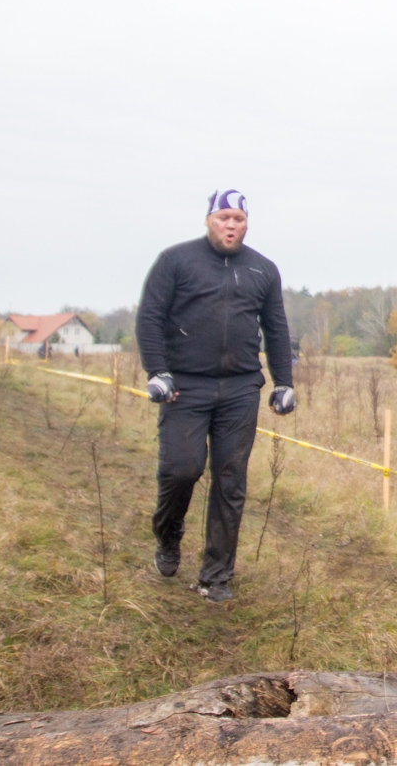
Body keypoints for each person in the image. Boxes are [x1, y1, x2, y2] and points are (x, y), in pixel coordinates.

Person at [136, 189, 297, 603]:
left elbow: (276, 328)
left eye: (238, 219)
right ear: (209, 219)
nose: (231, 225)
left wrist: (284, 382)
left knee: (231, 480)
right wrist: (158, 372)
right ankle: (169, 535)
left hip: (241, 387)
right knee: (181, 470)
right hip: (185, 386)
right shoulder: (176, 261)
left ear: (247, 224)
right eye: (223, 217)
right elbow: (150, 316)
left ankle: (216, 576)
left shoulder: (263, 269)